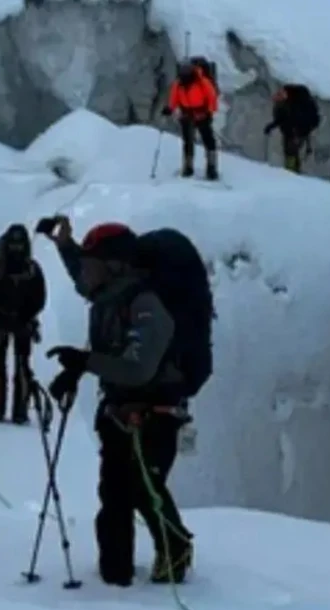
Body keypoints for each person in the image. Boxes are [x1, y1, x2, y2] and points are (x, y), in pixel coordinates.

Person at [35, 214, 198, 586]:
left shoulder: (146, 304)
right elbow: (82, 274)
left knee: (142, 488)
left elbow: (139, 367)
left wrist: (85, 363)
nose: (84, 276)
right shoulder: (109, 295)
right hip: (120, 412)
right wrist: (64, 246)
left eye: (92, 266)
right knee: (115, 492)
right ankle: (115, 575)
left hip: (155, 414)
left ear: (113, 266)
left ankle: (175, 549)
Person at [0, 224, 46, 424]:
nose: (16, 248)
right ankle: (10, 410)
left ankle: (10, 410)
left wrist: (5, 316)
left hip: (15, 321)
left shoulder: (4, 268)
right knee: (9, 365)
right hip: (13, 321)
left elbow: (39, 298)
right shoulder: (29, 269)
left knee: (18, 365)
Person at [162, 61, 219, 180]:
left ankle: (211, 167)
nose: (183, 74)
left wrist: (210, 111)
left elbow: (211, 96)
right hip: (187, 114)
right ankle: (189, 166)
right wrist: (170, 108)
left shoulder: (202, 81)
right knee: (188, 140)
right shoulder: (179, 83)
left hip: (201, 113)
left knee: (207, 140)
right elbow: (174, 98)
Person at [264, 84, 321, 174]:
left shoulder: (294, 105)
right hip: (292, 132)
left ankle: (290, 172)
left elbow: (292, 119)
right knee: (291, 152)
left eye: (280, 94)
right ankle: (293, 172)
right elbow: (281, 118)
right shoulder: (288, 103)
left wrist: (297, 132)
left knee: (291, 152)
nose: (277, 96)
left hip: (296, 132)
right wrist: (270, 126)